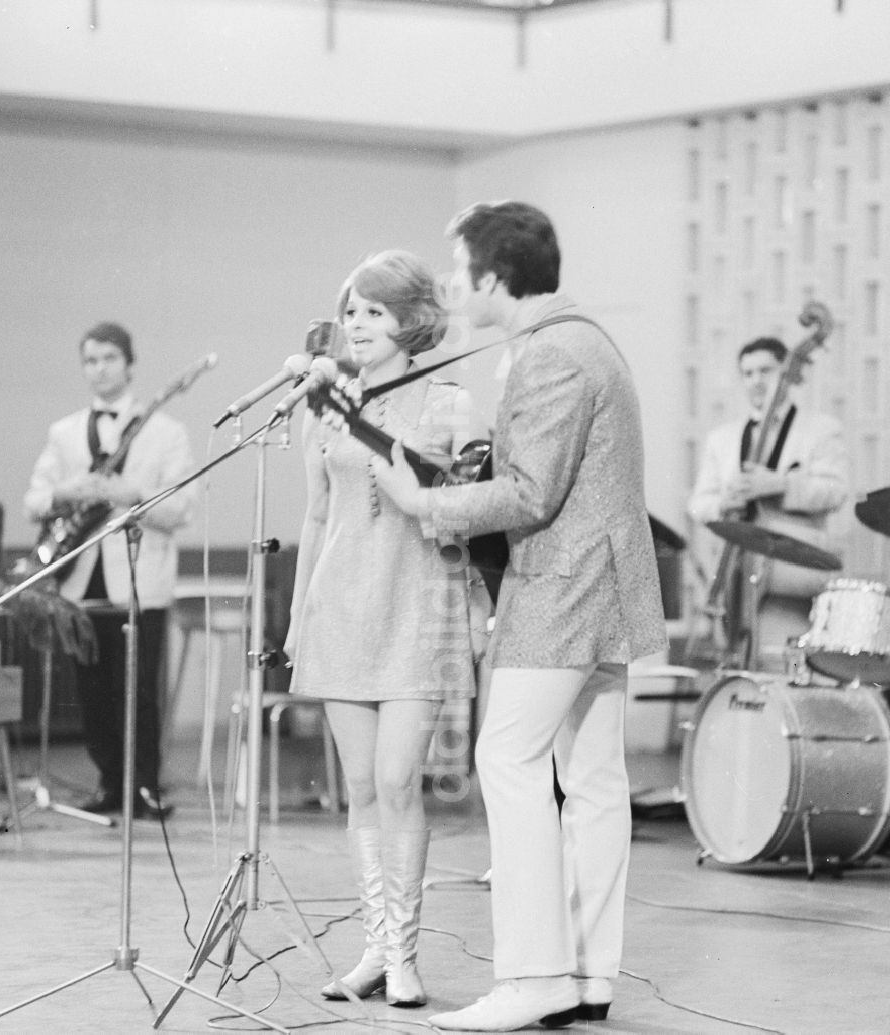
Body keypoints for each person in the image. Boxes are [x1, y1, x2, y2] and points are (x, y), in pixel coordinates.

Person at [373, 202, 667, 1031]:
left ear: (496, 278)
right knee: (594, 780)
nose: (453, 286)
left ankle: (536, 975)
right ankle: (584, 972)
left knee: (507, 756)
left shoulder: (553, 353)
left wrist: (417, 497)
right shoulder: (576, 339)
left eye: (461, 272)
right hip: (594, 583)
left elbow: (531, 493)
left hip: (565, 588)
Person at [286, 250, 477, 1008]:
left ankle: (404, 953)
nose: (357, 323)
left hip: (416, 603)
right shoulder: (325, 405)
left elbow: (460, 498)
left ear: (410, 320)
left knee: (400, 781)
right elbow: (314, 516)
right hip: (340, 605)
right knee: (362, 786)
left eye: (374, 310)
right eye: (351, 310)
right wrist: (299, 615)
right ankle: (374, 947)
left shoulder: (449, 399)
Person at [24, 321, 195, 819]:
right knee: (93, 692)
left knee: (139, 691)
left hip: (140, 584)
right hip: (80, 579)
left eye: (109, 359)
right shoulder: (63, 432)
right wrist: (68, 491)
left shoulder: (166, 432)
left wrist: (134, 495)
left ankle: (144, 786)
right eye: (90, 361)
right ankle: (108, 783)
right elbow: (33, 500)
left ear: (129, 363)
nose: (99, 370)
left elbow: (182, 508)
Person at [687, 336, 848, 670]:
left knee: (779, 669)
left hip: (789, 575)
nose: (756, 381)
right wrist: (723, 502)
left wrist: (780, 484)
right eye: (747, 373)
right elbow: (698, 503)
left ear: (788, 372)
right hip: (735, 575)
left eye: (765, 370)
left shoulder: (820, 429)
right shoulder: (722, 438)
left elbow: (835, 492)